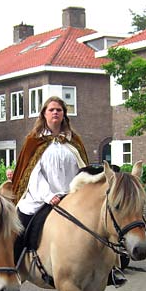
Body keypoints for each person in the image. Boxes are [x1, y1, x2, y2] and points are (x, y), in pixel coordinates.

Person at [11, 96, 88, 261]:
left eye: (59, 110)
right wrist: (48, 196)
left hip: (70, 197)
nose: (55, 112)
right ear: (44, 114)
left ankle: (111, 267)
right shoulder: (33, 141)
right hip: (40, 198)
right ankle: (14, 265)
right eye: (51, 109)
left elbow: (81, 170)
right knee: (21, 226)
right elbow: (33, 174)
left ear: (64, 115)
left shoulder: (74, 141)